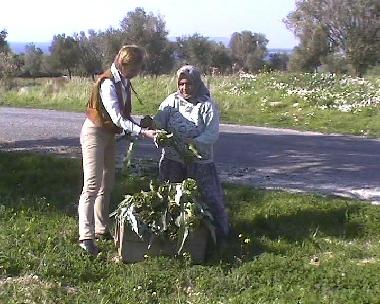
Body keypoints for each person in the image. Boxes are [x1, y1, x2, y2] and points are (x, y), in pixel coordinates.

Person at [78, 45, 156, 256]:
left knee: (108, 183)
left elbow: (124, 118)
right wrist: (142, 133)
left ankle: (101, 229)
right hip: (94, 133)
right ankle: (86, 236)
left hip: (109, 135)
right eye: (136, 66)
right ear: (124, 63)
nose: (138, 71)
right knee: (92, 185)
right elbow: (117, 117)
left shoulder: (125, 82)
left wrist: (142, 126)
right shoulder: (107, 83)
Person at [152, 65, 229, 244]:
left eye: (188, 84)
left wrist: (193, 142)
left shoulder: (207, 106)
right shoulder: (171, 101)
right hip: (173, 159)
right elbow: (159, 122)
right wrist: (153, 125)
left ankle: (219, 234)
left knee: (209, 197)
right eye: (181, 84)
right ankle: (172, 234)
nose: (184, 88)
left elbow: (212, 134)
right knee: (171, 197)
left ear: (197, 84)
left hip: (199, 160)